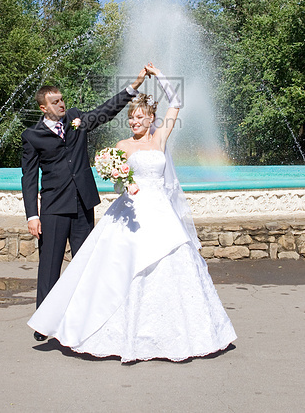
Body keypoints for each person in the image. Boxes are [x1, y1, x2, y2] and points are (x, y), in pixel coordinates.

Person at [28, 64, 236, 362]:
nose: (134, 122)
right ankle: (55, 321)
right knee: (101, 268)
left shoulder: (160, 138)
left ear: (151, 118)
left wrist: (157, 76)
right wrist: (123, 182)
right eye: (132, 118)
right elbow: (117, 181)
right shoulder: (121, 145)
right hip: (122, 211)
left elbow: (175, 102)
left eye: (140, 117)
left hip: (160, 212)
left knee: (168, 268)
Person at [21, 68, 147, 341]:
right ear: (44, 107)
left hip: (83, 204)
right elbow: (29, 177)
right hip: (54, 207)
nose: (62, 104)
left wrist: (133, 87)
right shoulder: (32, 136)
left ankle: (85, 319)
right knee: (50, 266)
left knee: (86, 264)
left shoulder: (76, 118)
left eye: (62, 100)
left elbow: (106, 110)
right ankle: (44, 322)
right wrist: (32, 215)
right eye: (55, 102)